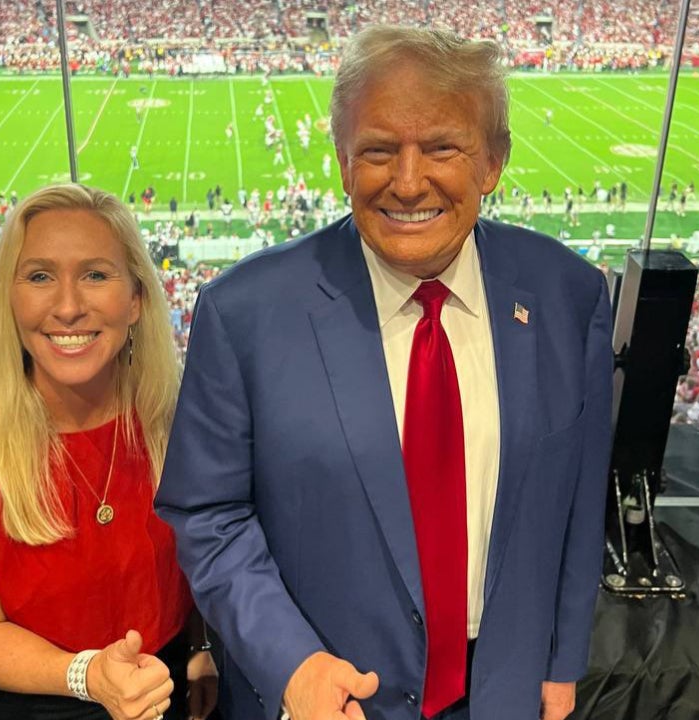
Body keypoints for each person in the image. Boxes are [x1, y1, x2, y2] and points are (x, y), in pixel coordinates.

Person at [157, 25, 612, 720]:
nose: (407, 182)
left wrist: (561, 660)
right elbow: (208, 516)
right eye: (378, 150)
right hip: (325, 699)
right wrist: (294, 666)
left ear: (493, 162)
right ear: (343, 162)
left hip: (505, 693)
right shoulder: (243, 313)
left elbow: (579, 498)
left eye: (441, 148)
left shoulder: (566, 295)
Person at [0, 184, 217, 720]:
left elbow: (201, 561)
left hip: (169, 692)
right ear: (10, 295)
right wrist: (89, 675)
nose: (69, 307)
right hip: (36, 703)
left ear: (137, 299)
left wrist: (200, 646)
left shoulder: (173, 417)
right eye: (40, 276)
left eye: (96, 275)